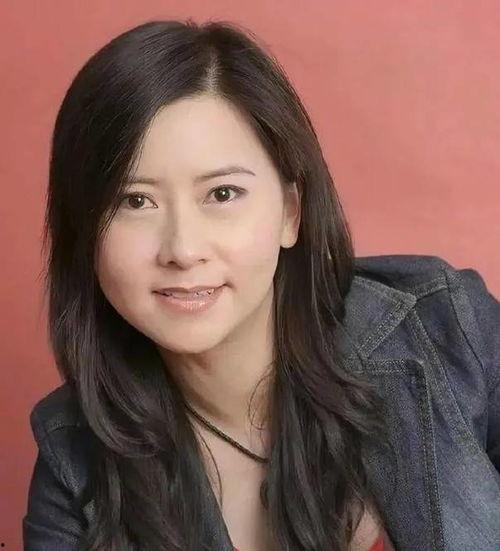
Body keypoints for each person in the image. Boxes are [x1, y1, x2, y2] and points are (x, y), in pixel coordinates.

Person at [22, 19, 499, 551]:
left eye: (222, 194)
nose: (183, 249)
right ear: (83, 231)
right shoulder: (72, 463)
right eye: (135, 201)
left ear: (291, 212)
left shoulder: (449, 333)